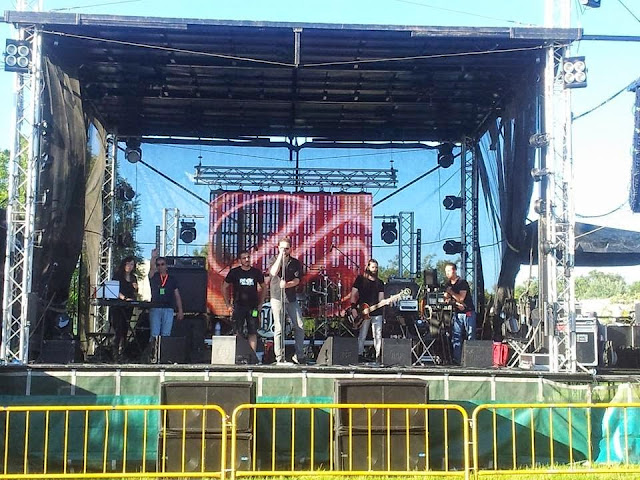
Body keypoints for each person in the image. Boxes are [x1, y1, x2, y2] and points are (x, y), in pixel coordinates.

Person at [268, 237, 306, 364]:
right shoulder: (273, 260)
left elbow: (297, 280)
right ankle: (279, 357)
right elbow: (273, 272)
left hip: (291, 298)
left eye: (287, 248)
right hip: (277, 297)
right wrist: (280, 256)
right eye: (282, 248)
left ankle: (299, 355)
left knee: (299, 325)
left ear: (291, 249)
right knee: (279, 327)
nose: (284, 250)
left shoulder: (295, 263)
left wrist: (288, 285)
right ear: (278, 248)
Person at [222, 249, 266, 352]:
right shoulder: (234, 272)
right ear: (239, 260)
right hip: (239, 306)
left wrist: (261, 303)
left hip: (253, 308)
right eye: (244, 258)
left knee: (253, 331)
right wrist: (227, 304)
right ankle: (239, 354)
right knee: (238, 331)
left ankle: (252, 355)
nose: (246, 260)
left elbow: (264, 287)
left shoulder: (256, 272)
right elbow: (224, 287)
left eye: (248, 257)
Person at [349, 259, 385, 363]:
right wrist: (353, 308)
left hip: (376, 312)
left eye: (376, 267)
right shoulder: (360, 279)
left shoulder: (380, 282)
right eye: (373, 267)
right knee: (362, 334)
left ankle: (378, 356)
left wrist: (386, 301)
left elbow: (381, 299)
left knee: (378, 334)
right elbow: (353, 294)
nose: (375, 269)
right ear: (368, 267)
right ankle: (359, 354)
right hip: (363, 311)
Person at [443, 262, 476, 364]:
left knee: (470, 335)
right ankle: (457, 360)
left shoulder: (462, 282)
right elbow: (446, 298)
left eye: (449, 271)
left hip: (468, 312)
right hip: (457, 313)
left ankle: (471, 359)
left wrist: (451, 292)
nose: (447, 273)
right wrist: (448, 297)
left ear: (454, 271)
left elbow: (461, 298)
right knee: (456, 337)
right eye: (446, 271)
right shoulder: (448, 284)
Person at [148, 249, 184, 340]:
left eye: (162, 264)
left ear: (166, 265)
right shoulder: (154, 276)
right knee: (154, 333)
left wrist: (180, 310)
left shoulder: (172, 279)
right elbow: (151, 269)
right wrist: (153, 257)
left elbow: (177, 295)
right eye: (158, 265)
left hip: (168, 308)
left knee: (166, 334)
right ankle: (153, 349)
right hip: (155, 307)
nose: (160, 266)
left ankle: (163, 349)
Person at [111, 256, 138, 359]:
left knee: (125, 328)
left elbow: (134, 292)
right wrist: (124, 298)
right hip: (118, 306)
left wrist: (136, 289)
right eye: (128, 264)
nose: (129, 266)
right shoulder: (118, 276)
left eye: (132, 264)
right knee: (117, 328)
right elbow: (114, 290)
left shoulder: (133, 277)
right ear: (124, 264)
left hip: (128, 306)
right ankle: (114, 352)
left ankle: (122, 352)